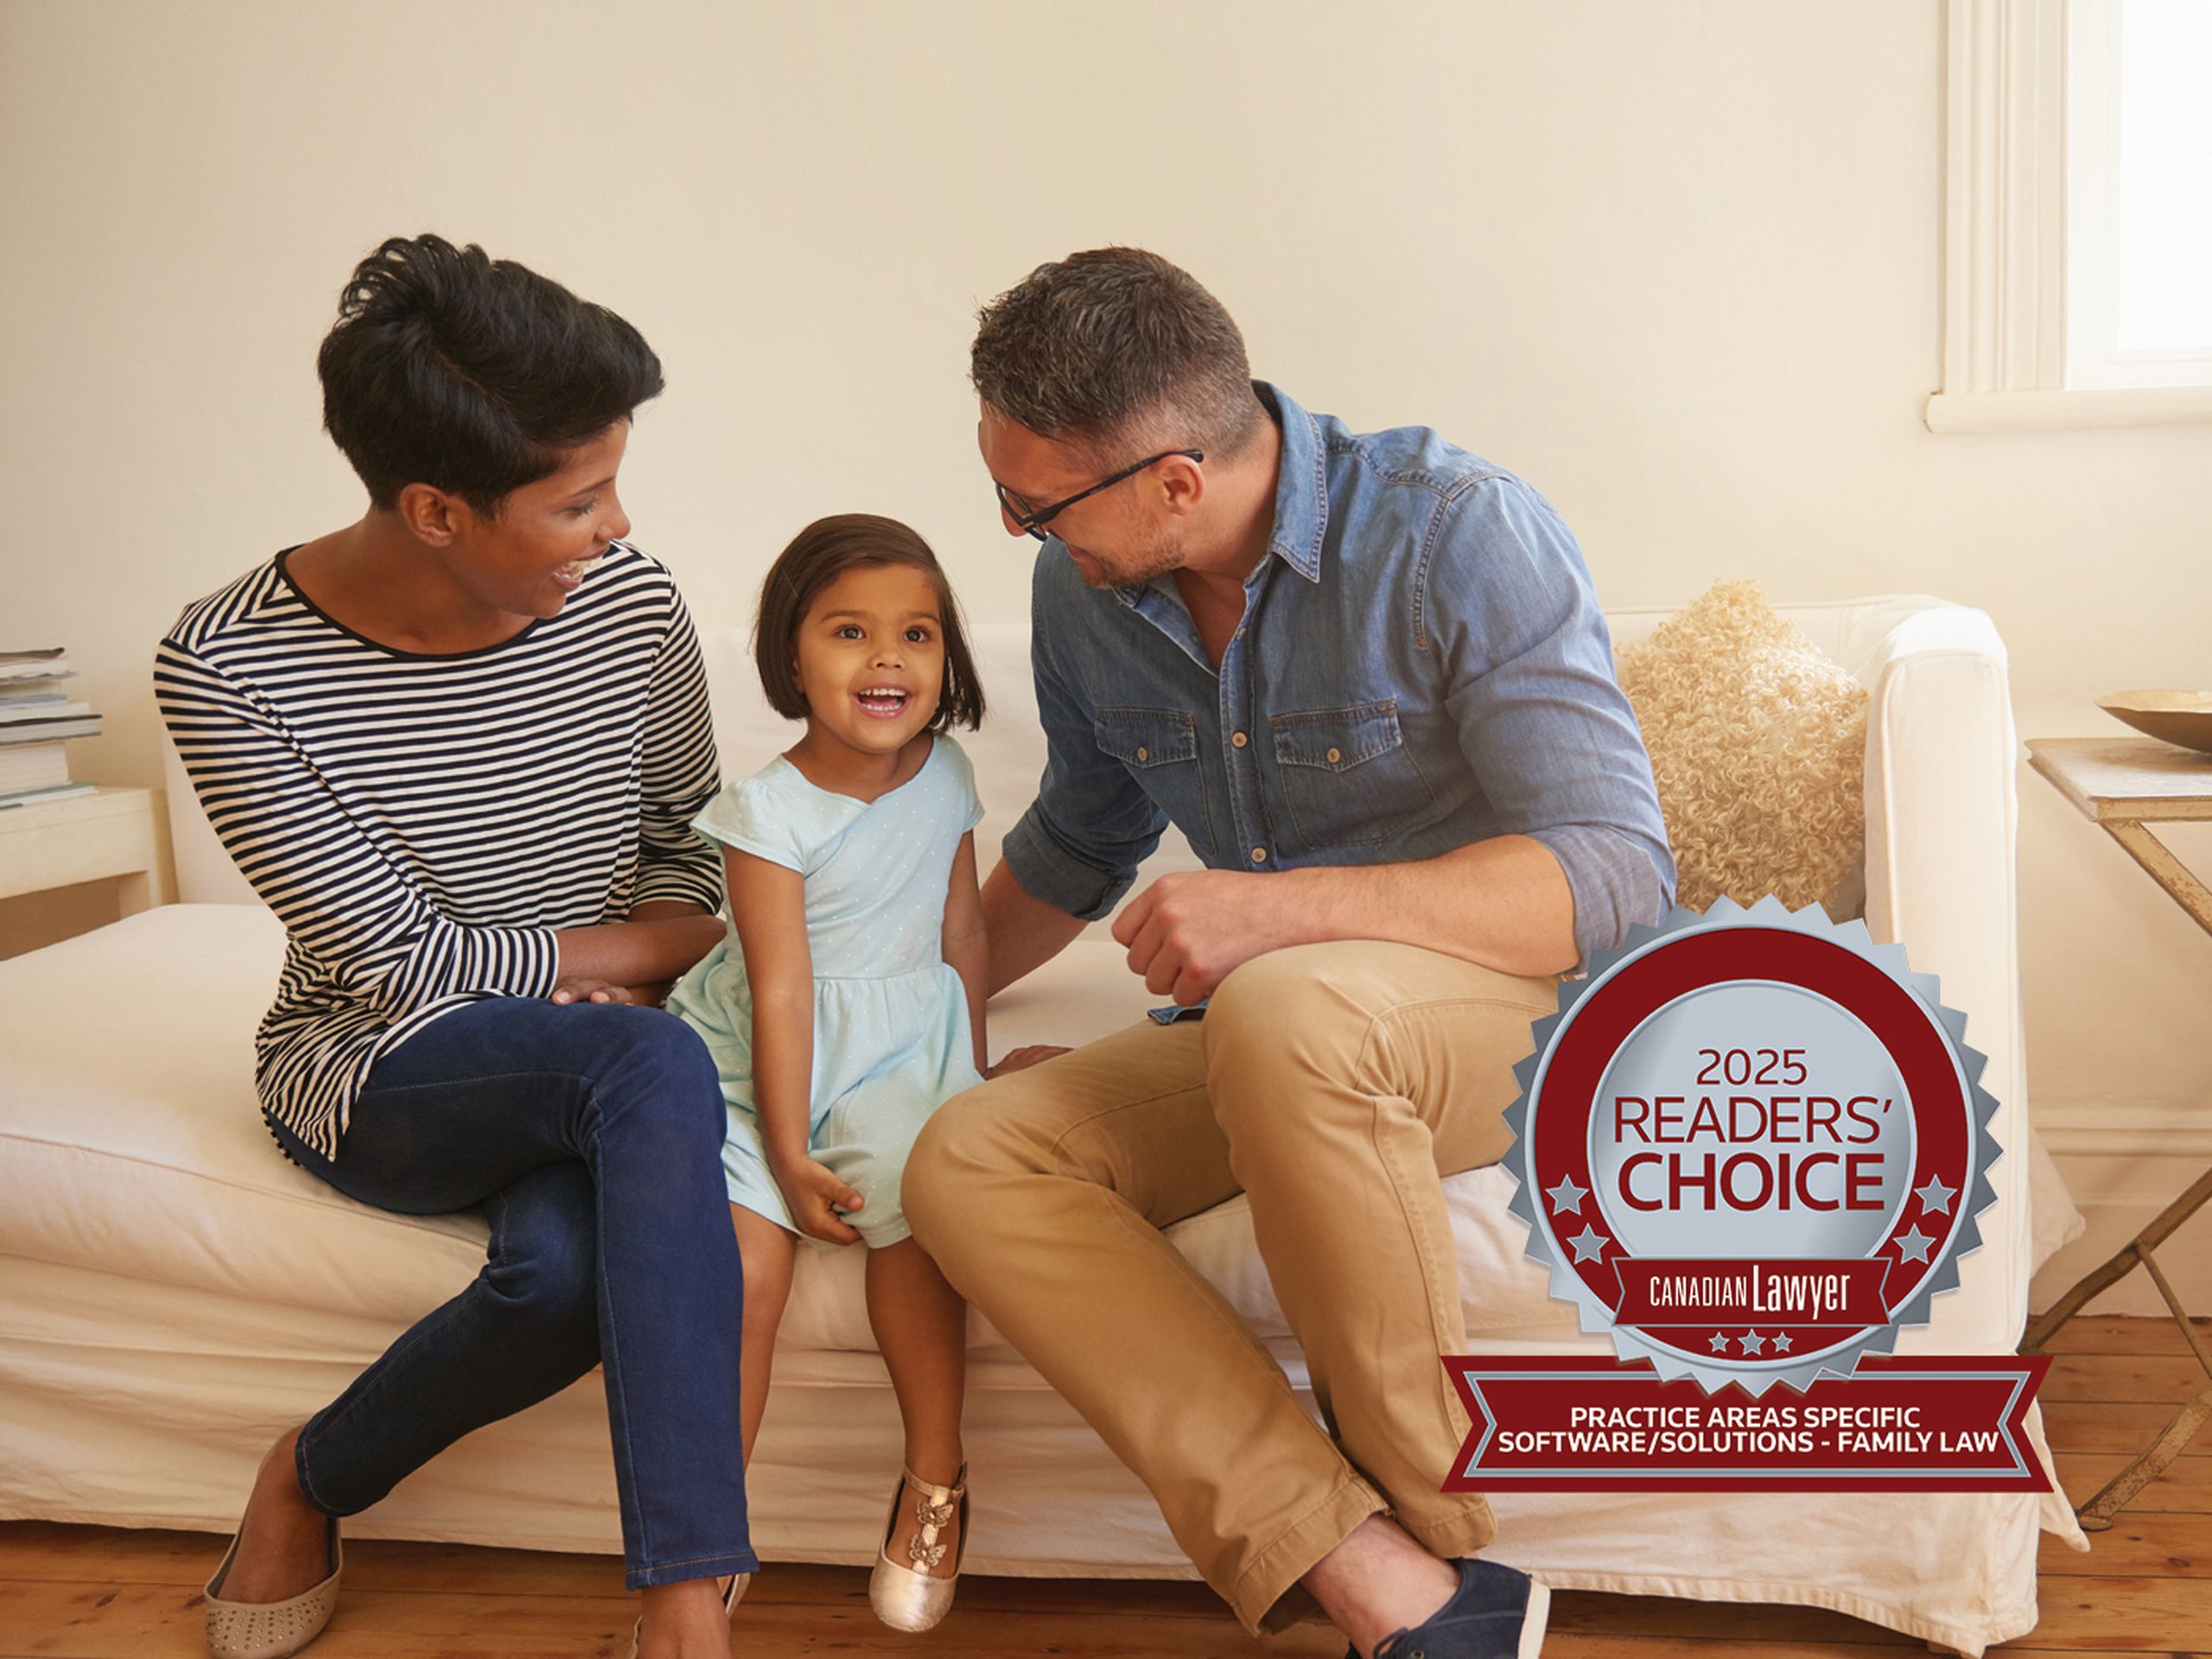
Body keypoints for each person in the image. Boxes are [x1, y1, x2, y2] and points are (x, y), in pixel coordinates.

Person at [903, 247, 1675, 1659]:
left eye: (1033, 504)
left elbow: (1615, 880)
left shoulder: (1458, 534)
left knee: (1284, 1003)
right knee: (969, 1153)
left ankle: (1443, 1522)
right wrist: (885, 1014)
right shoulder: (1091, 597)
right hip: (1287, 1032)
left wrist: (1285, 909)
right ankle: (1384, 1579)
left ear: (1175, 482)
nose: (1015, 531)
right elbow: (1077, 845)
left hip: (1526, 1016)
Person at [156, 235, 751, 1659]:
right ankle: (687, 1612)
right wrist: (620, 957)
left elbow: (694, 870)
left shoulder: (633, 609)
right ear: (435, 509)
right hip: (374, 1070)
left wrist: (606, 954)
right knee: (647, 1060)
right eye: (578, 500)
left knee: (562, 1278)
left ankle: (304, 1475)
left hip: (589, 1060)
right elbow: (391, 969)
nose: (616, 526)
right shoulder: (227, 666)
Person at [664, 512, 1036, 1633]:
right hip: (750, 1056)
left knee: (919, 1216)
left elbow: (963, 931)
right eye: (850, 632)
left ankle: (936, 1479)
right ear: (792, 655)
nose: (888, 659)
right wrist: (782, 1150)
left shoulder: (949, 772)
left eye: (916, 635)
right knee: (746, 1272)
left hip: (897, 1047)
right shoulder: (763, 814)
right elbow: (778, 991)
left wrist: (967, 1071)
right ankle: (704, 1532)